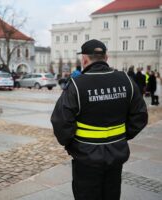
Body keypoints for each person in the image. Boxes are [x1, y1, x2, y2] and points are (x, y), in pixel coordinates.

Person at [51, 39, 148, 200]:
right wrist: (122, 136)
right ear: (106, 57)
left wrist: (71, 144)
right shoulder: (126, 80)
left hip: (86, 157)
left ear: (84, 59)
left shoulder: (76, 85)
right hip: (116, 153)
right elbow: (140, 115)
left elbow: (60, 121)